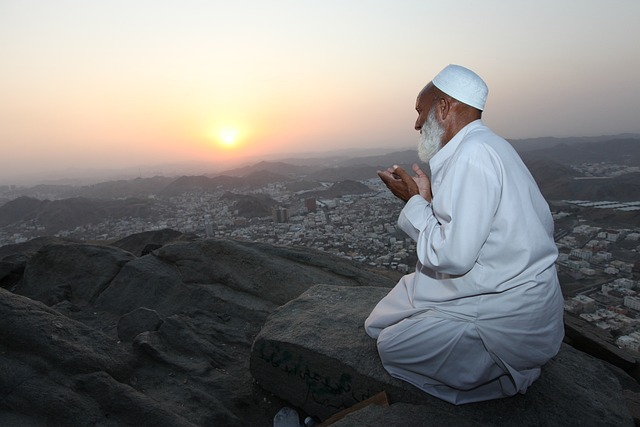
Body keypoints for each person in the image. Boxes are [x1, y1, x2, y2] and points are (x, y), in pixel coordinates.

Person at [364, 64, 564, 405]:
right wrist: (426, 200)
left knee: (391, 345)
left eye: (420, 111)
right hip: (498, 290)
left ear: (442, 108)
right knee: (380, 320)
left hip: (505, 313)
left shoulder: (472, 156)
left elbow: (453, 256)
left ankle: (505, 378)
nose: (415, 123)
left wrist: (413, 202)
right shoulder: (484, 147)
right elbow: (469, 228)